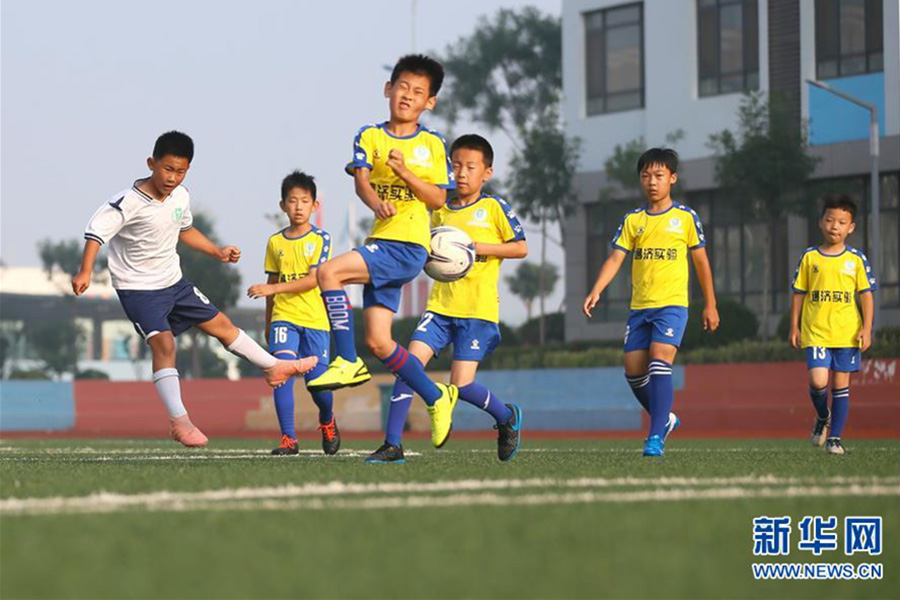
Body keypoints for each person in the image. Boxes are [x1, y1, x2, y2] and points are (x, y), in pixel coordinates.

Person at [73, 131, 317, 447]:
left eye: (181, 171)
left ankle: (273, 368)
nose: (172, 177)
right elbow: (96, 234)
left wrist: (217, 252)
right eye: (167, 169)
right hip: (138, 289)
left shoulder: (181, 196)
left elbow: (184, 230)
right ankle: (180, 421)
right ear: (151, 163)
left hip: (174, 282)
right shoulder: (127, 202)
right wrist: (85, 271)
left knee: (223, 325)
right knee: (164, 345)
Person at [307, 54, 459, 448]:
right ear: (388, 89)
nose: (408, 96)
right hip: (380, 240)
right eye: (402, 87)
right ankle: (436, 395)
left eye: (418, 92)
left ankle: (346, 360)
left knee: (328, 273)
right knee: (379, 342)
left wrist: (406, 172)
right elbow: (361, 182)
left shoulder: (431, 144)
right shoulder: (369, 136)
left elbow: (438, 199)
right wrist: (376, 203)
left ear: (430, 102)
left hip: (407, 245)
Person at [366, 134, 527, 463]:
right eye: (456, 166)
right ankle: (392, 444)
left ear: (487, 172)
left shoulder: (493, 207)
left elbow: (520, 247)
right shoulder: (439, 211)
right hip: (439, 308)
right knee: (407, 367)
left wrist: (475, 248)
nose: (462, 173)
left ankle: (506, 417)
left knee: (462, 385)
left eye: (471, 167)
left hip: (477, 310)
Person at [583, 148, 720, 457]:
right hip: (640, 308)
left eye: (659, 175)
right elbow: (615, 258)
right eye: (646, 176)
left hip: (672, 306)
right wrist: (597, 290)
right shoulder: (633, 220)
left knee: (660, 362)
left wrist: (710, 304)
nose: (652, 182)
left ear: (672, 179)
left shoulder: (685, 218)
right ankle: (666, 419)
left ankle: (655, 437)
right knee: (633, 372)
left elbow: (701, 262)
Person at [247, 170, 339, 456]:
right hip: (283, 319)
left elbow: (312, 280)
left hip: (315, 320)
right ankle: (289, 438)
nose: (298, 207)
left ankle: (327, 420)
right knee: (280, 375)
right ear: (283, 205)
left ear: (315, 205)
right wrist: (268, 322)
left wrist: (271, 290)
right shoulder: (275, 242)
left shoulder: (322, 239)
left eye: (304, 201)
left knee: (318, 386)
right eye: (292, 200)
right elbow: (272, 283)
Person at [789, 194, 876, 455]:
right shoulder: (809, 257)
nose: (834, 226)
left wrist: (867, 328)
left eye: (841, 222)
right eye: (829, 220)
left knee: (840, 386)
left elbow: (866, 296)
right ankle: (822, 416)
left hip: (847, 334)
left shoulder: (856, 259)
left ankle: (834, 438)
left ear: (851, 227)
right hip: (816, 332)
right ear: (820, 222)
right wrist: (794, 326)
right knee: (818, 381)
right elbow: (798, 294)